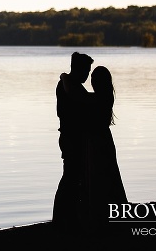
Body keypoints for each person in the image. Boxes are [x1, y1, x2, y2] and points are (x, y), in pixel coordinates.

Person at [52, 51, 93, 231]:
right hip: (70, 137)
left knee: (73, 176)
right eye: (86, 71)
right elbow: (77, 105)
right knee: (70, 176)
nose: (87, 76)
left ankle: (69, 215)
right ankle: (62, 217)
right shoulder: (68, 86)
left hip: (71, 136)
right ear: (79, 69)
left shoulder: (69, 84)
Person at [83, 66, 128, 229]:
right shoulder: (107, 96)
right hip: (104, 139)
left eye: (94, 79)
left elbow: (81, 97)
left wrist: (65, 78)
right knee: (109, 175)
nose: (92, 82)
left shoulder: (98, 98)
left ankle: (101, 216)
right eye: (92, 79)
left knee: (100, 177)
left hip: (99, 140)